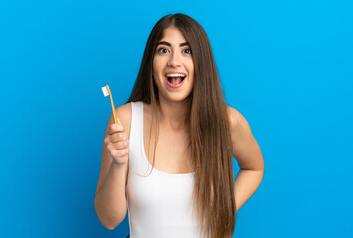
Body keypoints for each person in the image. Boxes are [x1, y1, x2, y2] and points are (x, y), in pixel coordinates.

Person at [94, 13, 264, 238]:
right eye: (163, 50)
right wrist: (119, 163)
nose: (174, 61)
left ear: (201, 63)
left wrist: (224, 210)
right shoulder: (124, 120)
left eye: (187, 50)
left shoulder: (227, 122)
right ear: (151, 64)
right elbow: (109, 220)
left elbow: (254, 167)